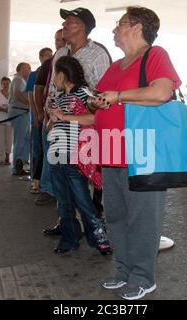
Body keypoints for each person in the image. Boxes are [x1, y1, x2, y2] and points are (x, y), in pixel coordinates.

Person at [91, 7, 182, 300]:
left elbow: (161, 92)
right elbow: (99, 103)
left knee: (143, 218)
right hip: (111, 151)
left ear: (137, 27)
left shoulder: (155, 56)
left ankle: (143, 277)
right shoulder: (116, 66)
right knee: (116, 215)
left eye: (120, 24)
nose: (115, 29)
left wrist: (118, 96)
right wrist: (90, 104)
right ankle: (122, 271)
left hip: (143, 152)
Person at [42, 7, 112, 236]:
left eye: (69, 22)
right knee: (60, 176)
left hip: (83, 126)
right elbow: (53, 87)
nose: (64, 26)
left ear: (81, 26)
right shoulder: (61, 52)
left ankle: (91, 227)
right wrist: (48, 115)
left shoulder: (98, 54)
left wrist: (85, 109)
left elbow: (103, 93)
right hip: (58, 124)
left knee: (83, 178)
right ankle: (67, 223)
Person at [47, 55, 112, 256]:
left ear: (62, 74)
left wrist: (65, 116)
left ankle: (99, 238)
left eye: (55, 75)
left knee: (83, 200)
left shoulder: (84, 94)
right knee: (64, 202)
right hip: (56, 154)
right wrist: (52, 118)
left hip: (75, 156)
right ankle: (69, 239)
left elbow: (96, 117)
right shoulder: (57, 98)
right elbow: (51, 126)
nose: (53, 81)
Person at [34, 29, 65, 206]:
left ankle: (57, 190)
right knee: (48, 153)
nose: (58, 43)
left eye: (61, 39)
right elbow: (37, 90)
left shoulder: (69, 60)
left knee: (58, 156)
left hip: (65, 117)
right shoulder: (49, 63)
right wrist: (40, 112)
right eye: (56, 40)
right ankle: (47, 189)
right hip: (49, 116)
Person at [27, 48, 53, 194]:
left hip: (49, 115)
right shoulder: (35, 74)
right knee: (38, 149)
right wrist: (37, 114)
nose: (48, 58)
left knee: (48, 150)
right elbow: (32, 94)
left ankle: (44, 182)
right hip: (39, 115)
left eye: (50, 55)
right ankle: (36, 179)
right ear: (40, 57)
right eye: (46, 56)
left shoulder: (54, 68)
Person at [8, 62, 31, 176]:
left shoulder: (21, 80)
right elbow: (17, 94)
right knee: (20, 140)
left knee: (26, 138)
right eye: (28, 68)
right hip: (19, 112)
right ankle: (16, 166)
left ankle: (21, 162)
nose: (30, 70)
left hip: (23, 112)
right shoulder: (18, 79)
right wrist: (29, 104)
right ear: (21, 69)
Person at [0, 77, 12, 165]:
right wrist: (5, 110)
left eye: (7, 83)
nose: (6, 85)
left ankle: (7, 157)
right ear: (1, 84)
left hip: (9, 120)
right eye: (4, 84)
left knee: (9, 139)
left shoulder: (12, 93)